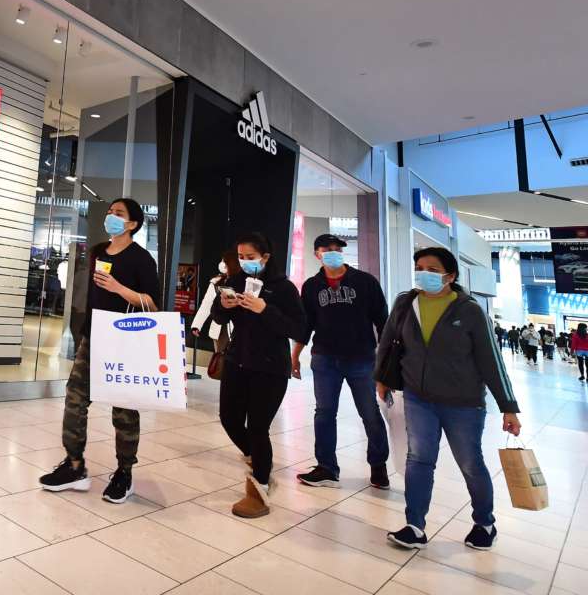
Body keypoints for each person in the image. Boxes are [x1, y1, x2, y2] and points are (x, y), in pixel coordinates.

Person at [375, 246, 521, 552]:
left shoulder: (468, 310)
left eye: (431, 269)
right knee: (419, 459)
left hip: (463, 403)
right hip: (418, 397)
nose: (423, 274)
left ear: (450, 276)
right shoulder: (406, 303)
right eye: (419, 268)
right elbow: (387, 343)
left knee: (470, 463)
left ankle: (484, 523)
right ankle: (415, 525)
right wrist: (381, 379)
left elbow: (490, 360)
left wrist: (508, 406)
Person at [39, 198, 160, 504]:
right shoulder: (96, 253)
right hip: (93, 337)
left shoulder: (142, 259)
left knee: (124, 409)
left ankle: (124, 472)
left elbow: (153, 304)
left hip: (124, 342)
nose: (111, 217)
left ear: (132, 224)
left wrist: (119, 288)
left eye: (119, 214)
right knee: (75, 400)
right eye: (110, 213)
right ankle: (74, 465)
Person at [211, 231, 307, 519]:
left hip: (271, 368)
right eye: (240, 257)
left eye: (250, 257)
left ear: (265, 257)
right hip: (237, 361)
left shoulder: (284, 288)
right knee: (228, 418)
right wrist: (223, 305)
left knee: (258, 427)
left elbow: (299, 329)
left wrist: (266, 310)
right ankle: (258, 461)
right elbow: (219, 318)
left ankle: (260, 487)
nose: (244, 262)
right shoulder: (236, 281)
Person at [292, 234, 391, 490]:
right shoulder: (312, 286)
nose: (334, 253)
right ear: (317, 254)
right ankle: (326, 467)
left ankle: (378, 466)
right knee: (324, 413)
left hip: (362, 359)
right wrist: (295, 355)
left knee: (369, 412)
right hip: (324, 359)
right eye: (328, 249)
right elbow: (307, 324)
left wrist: (387, 359)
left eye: (338, 249)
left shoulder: (364, 282)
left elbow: (383, 321)